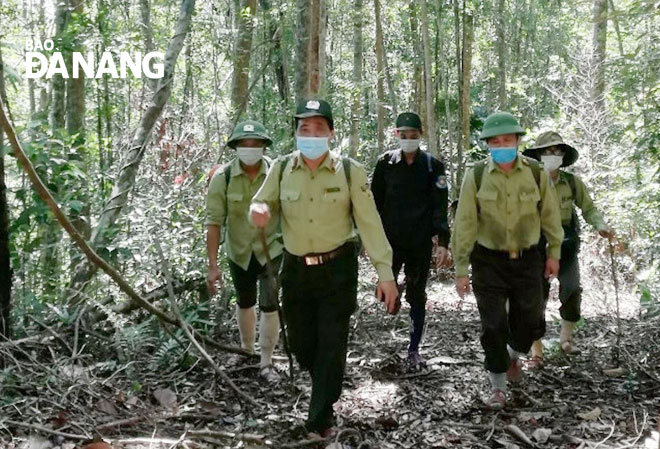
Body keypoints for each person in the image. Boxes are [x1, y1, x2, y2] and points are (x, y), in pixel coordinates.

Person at [249, 98, 399, 438]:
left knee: (331, 341)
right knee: (303, 344)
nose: (311, 134)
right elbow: (261, 201)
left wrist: (385, 274)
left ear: (331, 133)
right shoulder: (282, 168)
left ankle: (319, 418)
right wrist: (257, 211)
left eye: (319, 128)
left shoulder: (350, 171)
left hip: (337, 269)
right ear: (296, 134)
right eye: (304, 128)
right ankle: (325, 389)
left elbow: (370, 224)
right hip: (297, 270)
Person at [451, 112, 564, 410]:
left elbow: (551, 217)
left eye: (508, 140)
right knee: (493, 324)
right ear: (488, 144)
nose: (502, 145)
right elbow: (464, 224)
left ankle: (513, 354)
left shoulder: (536, 173)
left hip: (528, 259)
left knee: (531, 321)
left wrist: (554, 254)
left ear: (517, 141)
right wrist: (461, 269)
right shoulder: (475, 175)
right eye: (496, 141)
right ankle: (498, 386)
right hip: (488, 260)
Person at [523, 131, 615, 363]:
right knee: (536, 296)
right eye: (547, 151)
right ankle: (536, 349)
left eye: (557, 151)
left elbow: (589, 208)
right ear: (538, 155)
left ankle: (566, 340)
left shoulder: (572, 183)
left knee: (572, 289)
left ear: (563, 155)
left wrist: (601, 226)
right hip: (536, 244)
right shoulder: (527, 182)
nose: (552, 155)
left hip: (566, 243)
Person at [371, 112, 451, 371]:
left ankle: (414, 349)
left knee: (418, 297)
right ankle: (397, 290)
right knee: (387, 295)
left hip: (418, 243)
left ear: (420, 136)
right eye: (403, 136)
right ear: (397, 135)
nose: (408, 140)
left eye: (413, 136)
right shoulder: (385, 164)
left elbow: (440, 205)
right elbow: (373, 204)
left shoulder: (432, 166)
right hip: (390, 243)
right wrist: (369, 239)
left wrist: (443, 242)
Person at [206, 120, 283, 382]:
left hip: (271, 250)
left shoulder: (277, 172)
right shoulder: (222, 178)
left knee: (270, 304)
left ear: (263, 147)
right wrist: (213, 265)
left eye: (255, 144)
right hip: (239, 251)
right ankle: (246, 349)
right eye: (244, 145)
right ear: (236, 147)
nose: (250, 149)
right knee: (245, 300)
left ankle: (266, 360)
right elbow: (214, 222)